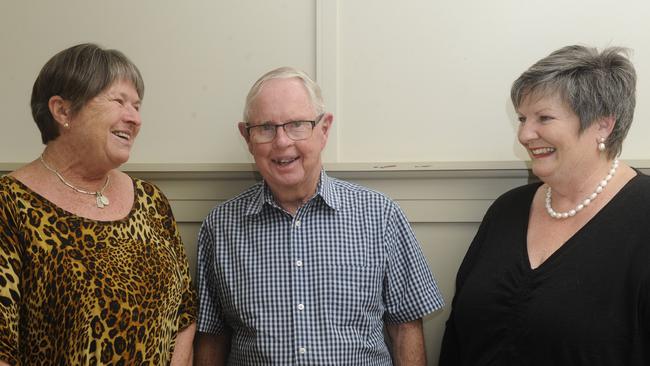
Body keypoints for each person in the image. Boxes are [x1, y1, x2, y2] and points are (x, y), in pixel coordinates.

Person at [194, 66, 443, 365]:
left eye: (297, 124)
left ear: (323, 130)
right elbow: (212, 337)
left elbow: (405, 328)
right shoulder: (220, 227)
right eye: (266, 128)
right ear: (247, 138)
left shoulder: (380, 216)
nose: (282, 142)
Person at [439, 45, 648, 365]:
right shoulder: (507, 209)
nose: (524, 134)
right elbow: (457, 336)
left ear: (603, 125)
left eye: (544, 118)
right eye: (522, 118)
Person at [0, 43, 196, 365]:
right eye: (119, 101)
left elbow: (184, 313)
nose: (135, 118)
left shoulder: (152, 200)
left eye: (137, 105)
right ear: (63, 111)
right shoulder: (9, 204)